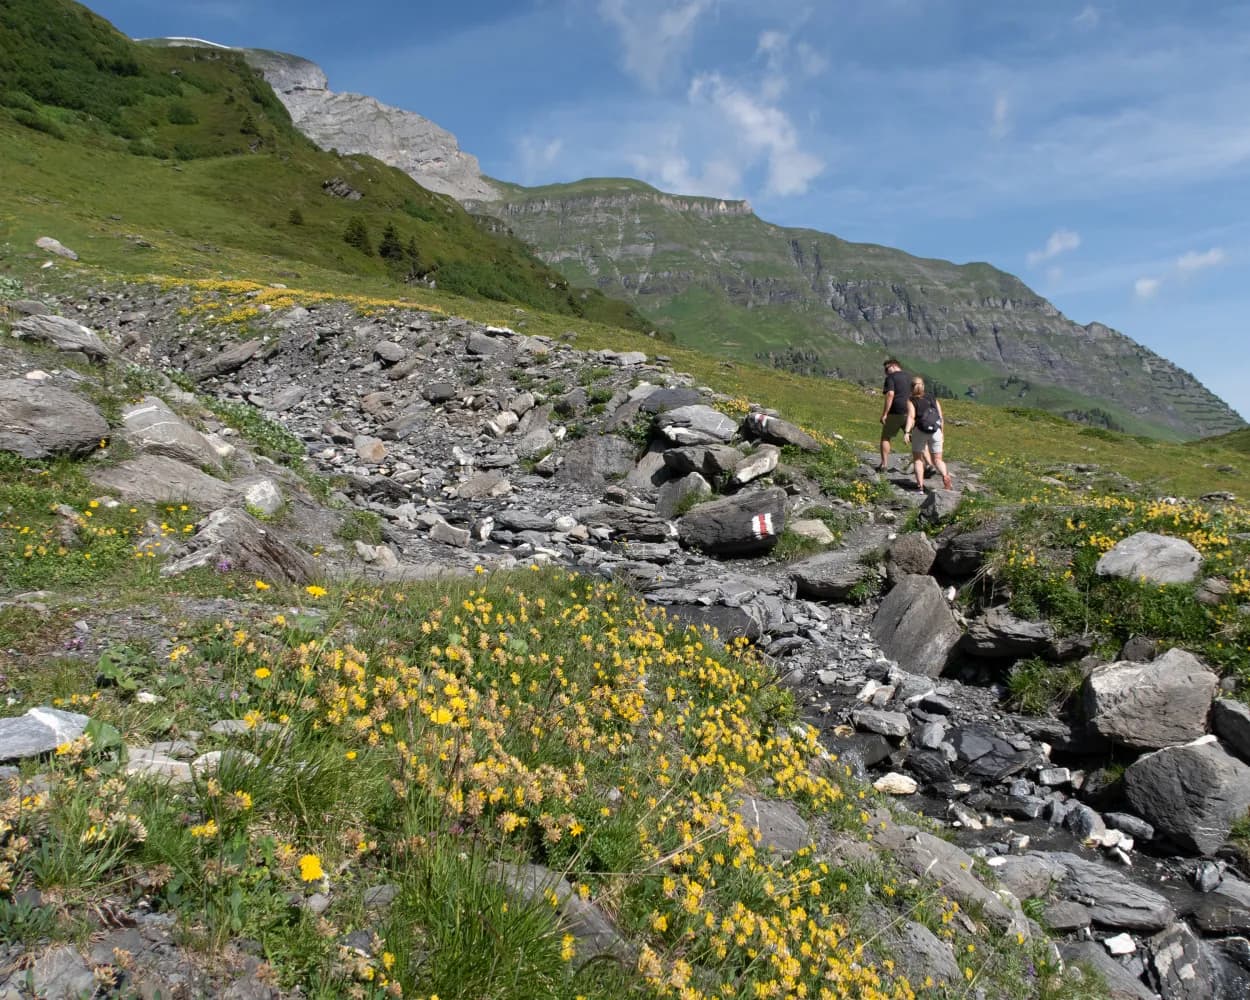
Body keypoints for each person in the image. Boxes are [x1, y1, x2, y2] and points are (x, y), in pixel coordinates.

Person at [904, 376, 952, 492]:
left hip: (920, 431)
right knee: (938, 460)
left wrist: (907, 431)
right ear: (923, 386)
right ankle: (946, 478)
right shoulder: (932, 397)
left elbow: (911, 416)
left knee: (918, 459)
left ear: (911, 388)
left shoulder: (911, 400)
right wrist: (942, 432)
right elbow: (940, 417)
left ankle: (920, 486)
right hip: (936, 431)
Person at [879, 358, 911, 472]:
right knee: (916, 439)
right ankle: (927, 464)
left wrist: (885, 414)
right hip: (911, 412)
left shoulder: (891, 378)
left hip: (896, 412)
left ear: (893, 366)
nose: (886, 372)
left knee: (886, 437)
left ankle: (884, 465)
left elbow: (890, 394)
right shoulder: (909, 377)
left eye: (887, 369)